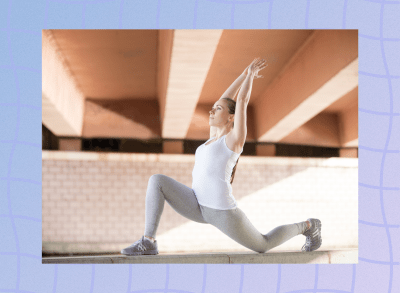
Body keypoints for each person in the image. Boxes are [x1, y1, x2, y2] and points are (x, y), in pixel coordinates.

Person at [121, 58, 322, 256]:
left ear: (231, 117)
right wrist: (242, 75)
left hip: (221, 211)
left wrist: (250, 77)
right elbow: (226, 98)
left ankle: (308, 226)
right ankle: (148, 242)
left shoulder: (234, 141)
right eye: (213, 107)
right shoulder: (211, 139)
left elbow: (241, 101)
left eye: (218, 109)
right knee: (157, 181)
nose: (212, 110)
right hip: (196, 203)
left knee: (263, 244)